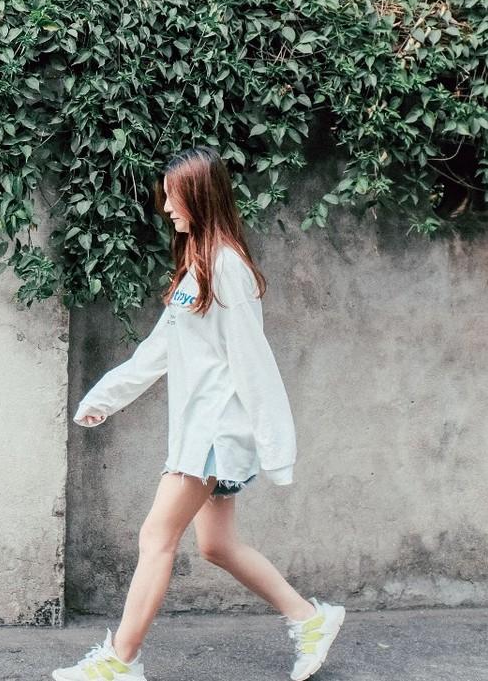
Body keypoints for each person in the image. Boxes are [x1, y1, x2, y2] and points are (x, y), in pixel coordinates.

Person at [51, 146, 346, 681]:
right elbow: (159, 351)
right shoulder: (200, 268)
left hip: (214, 432)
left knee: (155, 538)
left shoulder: (226, 266)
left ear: (200, 196)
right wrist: (103, 398)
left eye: (173, 195)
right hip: (203, 431)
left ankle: (121, 660)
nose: (165, 207)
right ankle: (310, 618)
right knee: (216, 545)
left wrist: (276, 447)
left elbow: (253, 361)